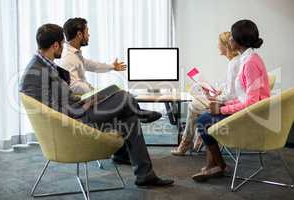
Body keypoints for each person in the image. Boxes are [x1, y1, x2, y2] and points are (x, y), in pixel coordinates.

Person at [19, 23, 174, 187]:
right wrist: (85, 104)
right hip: (73, 120)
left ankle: (145, 175)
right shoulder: (35, 71)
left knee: (129, 119)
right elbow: (49, 110)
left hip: (75, 109)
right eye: (62, 44)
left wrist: (89, 99)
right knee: (123, 96)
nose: (63, 47)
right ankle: (141, 113)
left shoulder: (42, 63)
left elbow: (60, 96)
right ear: (55, 45)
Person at [59, 17, 162, 165]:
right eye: (87, 31)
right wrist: (95, 91)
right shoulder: (68, 57)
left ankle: (123, 154)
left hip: (87, 101)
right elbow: (74, 85)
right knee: (123, 95)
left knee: (127, 115)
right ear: (79, 34)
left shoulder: (75, 54)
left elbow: (91, 65)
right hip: (84, 108)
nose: (89, 35)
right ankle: (140, 113)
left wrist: (111, 67)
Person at [192, 19, 270, 181]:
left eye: (231, 37)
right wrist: (224, 104)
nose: (229, 40)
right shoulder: (248, 59)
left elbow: (252, 103)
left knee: (203, 121)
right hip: (252, 112)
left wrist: (221, 109)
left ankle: (220, 166)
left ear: (239, 41)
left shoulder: (249, 63)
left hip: (254, 118)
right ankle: (216, 166)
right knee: (206, 117)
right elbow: (244, 96)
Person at [171, 32, 240, 156]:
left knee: (193, 106)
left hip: (228, 104)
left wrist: (215, 97)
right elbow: (231, 88)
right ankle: (197, 138)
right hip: (228, 99)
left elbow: (231, 95)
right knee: (196, 102)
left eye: (219, 43)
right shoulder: (235, 61)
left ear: (226, 46)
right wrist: (216, 91)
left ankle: (187, 143)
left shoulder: (234, 64)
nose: (218, 46)